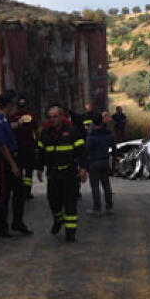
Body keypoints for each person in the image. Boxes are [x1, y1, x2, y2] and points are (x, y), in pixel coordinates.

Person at [36, 104, 88, 242]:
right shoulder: (45, 133)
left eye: (55, 117)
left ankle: (70, 233)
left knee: (70, 204)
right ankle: (58, 220)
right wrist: (39, 168)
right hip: (53, 174)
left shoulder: (72, 131)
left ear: (61, 117)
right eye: (50, 117)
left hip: (70, 173)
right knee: (53, 201)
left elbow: (82, 151)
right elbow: (40, 152)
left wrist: (83, 168)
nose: (52, 120)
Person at [0, 90, 32, 237]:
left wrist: (18, 124)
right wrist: (13, 164)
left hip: (9, 159)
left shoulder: (3, 120)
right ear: (8, 105)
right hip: (4, 161)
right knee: (5, 194)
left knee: (19, 191)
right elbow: (2, 146)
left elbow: (8, 127)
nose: (14, 107)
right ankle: (3, 227)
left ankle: (17, 222)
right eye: (12, 104)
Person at [10, 94, 39, 200]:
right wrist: (37, 143)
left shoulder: (13, 117)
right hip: (29, 147)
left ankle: (19, 191)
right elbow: (36, 131)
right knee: (29, 171)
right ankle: (27, 192)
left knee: (19, 170)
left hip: (18, 148)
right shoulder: (31, 116)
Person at [85, 113, 116, 214]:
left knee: (95, 186)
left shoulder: (91, 135)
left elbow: (87, 150)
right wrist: (114, 157)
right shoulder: (107, 133)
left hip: (94, 162)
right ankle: (109, 207)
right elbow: (114, 146)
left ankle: (97, 208)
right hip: (105, 161)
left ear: (93, 123)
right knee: (106, 185)